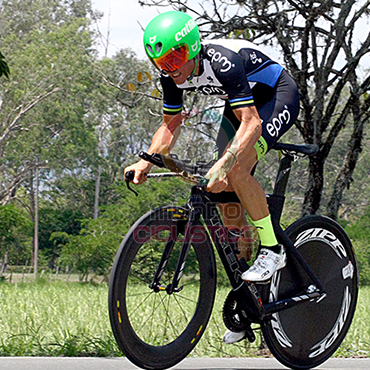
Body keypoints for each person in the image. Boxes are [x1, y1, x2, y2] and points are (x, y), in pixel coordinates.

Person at [124, 10, 300, 344]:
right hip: (241, 103)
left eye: (175, 57)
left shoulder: (223, 61)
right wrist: (146, 161)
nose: (169, 67)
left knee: (234, 170)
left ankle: (273, 248)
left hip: (276, 96)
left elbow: (251, 123)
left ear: (191, 48)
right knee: (225, 205)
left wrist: (225, 163)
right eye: (160, 61)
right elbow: (170, 124)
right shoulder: (170, 75)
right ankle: (249, 300)